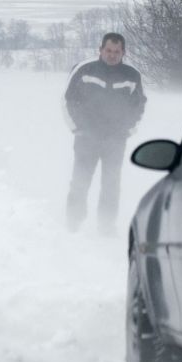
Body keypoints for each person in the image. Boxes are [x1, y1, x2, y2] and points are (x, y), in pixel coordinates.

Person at [63, 32, 146, 234]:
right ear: (100, 50)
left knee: (111, 184)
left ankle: (106, 225)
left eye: (117, 51)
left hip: (115, 140)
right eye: (108, 50)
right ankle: (73, 222)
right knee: (81, 180)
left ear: (123, 52)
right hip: (86, 138)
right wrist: (78, 129)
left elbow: (139, 105)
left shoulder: (132, 75)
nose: (112, 55)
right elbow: (68, 101)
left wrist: (128, 129)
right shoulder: (84, 69)